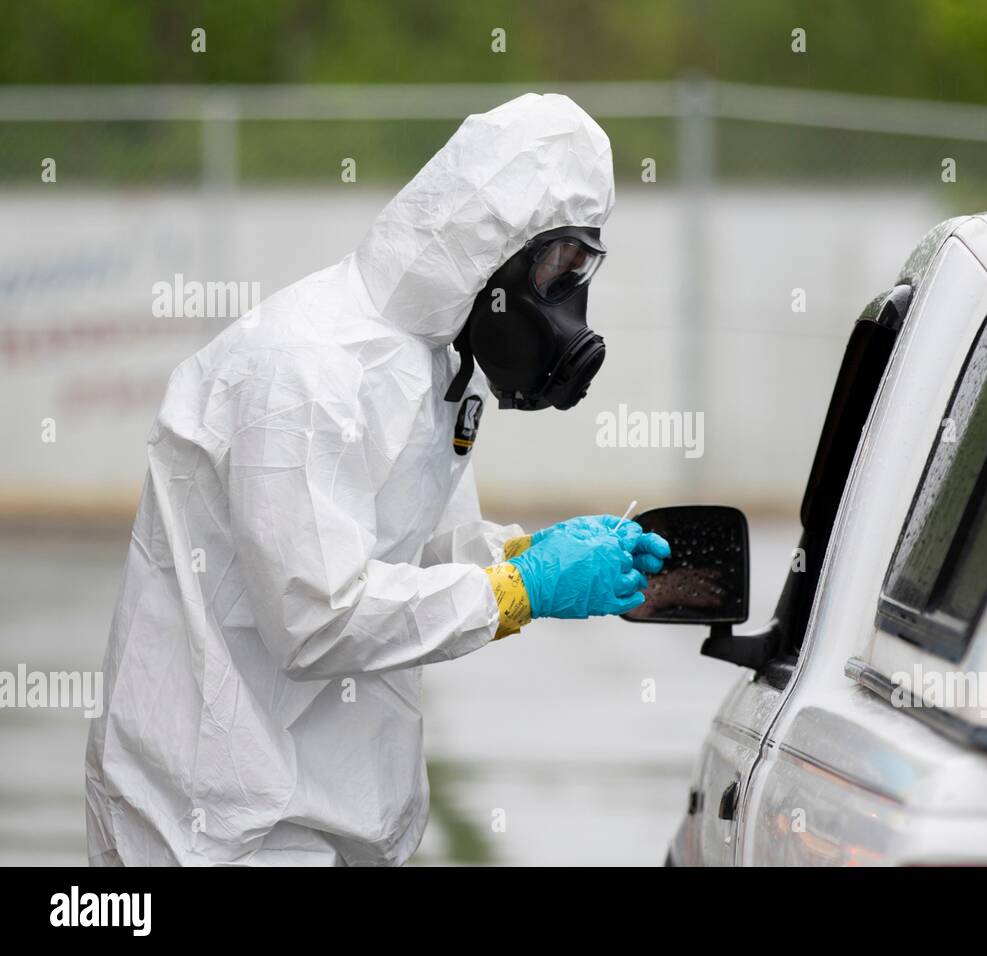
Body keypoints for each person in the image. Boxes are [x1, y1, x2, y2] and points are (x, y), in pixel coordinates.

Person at [84, 93, 669, 866]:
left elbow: (417, 566)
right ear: (489, 246)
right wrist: (520, 588)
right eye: (557, 270)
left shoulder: (436, 367)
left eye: (579, 273)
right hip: (214, 822)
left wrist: (529, 554)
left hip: (335, 814)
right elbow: (318, 615)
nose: (565, 303)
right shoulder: (302, 368)